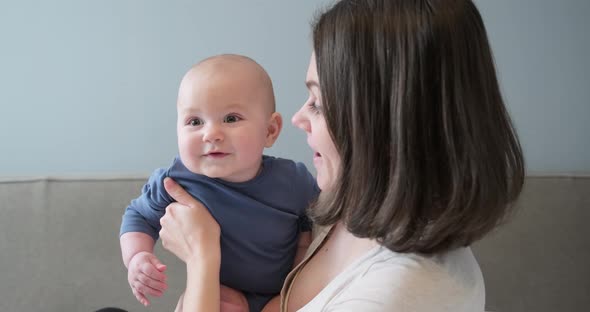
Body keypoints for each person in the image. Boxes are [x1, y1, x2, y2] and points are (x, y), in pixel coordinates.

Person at [158, 0, 525, 311]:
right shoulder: (352, 205)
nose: (299, 118)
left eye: (317, 103)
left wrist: (202, 258)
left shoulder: (394, 297)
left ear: (384, 123)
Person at [119, 54, 319, 312]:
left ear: (270, 131)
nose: (211, 134)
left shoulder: (293, 180)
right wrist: (137, 257)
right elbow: (137, 216)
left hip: (283, 294)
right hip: (216, 293)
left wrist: (297, 276)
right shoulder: (176, 181)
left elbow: (320, 223)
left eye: (231, 118)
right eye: (195, 122)